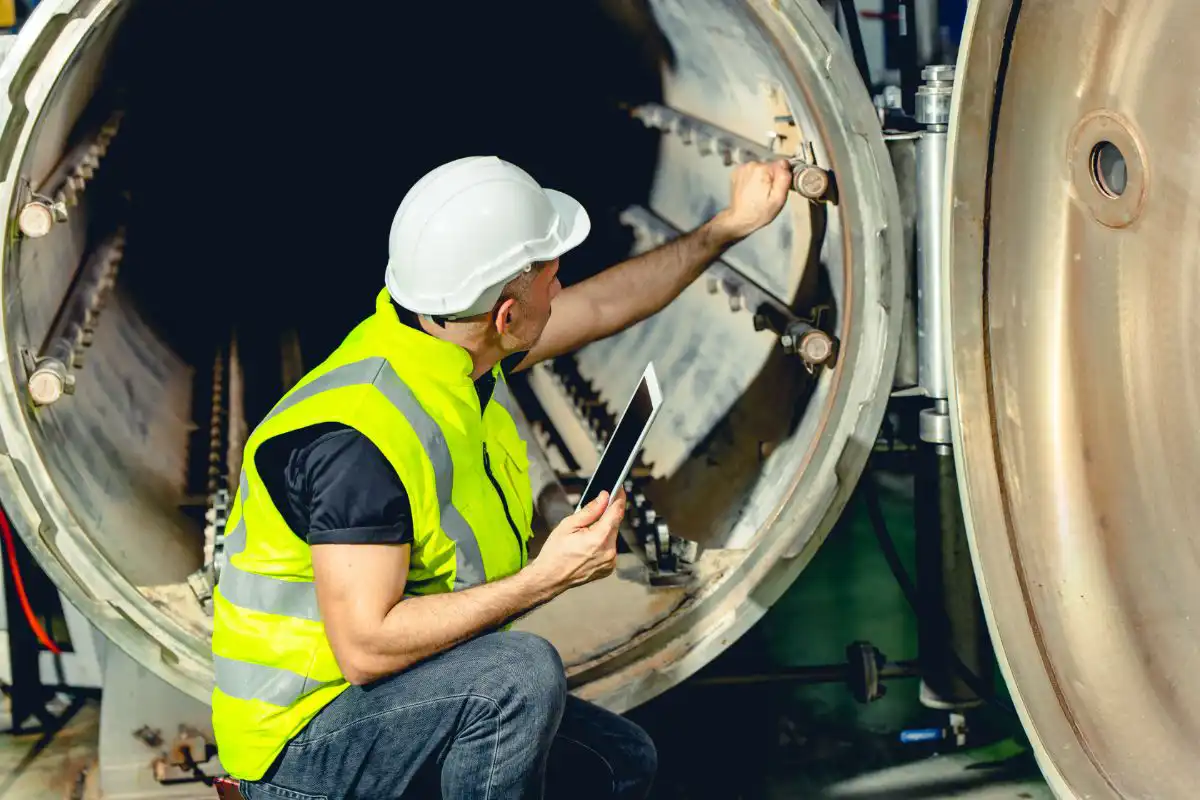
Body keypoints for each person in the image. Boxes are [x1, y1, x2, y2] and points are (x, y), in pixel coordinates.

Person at [211, 154, 792, 799]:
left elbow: (603, 305)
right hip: (300, 751)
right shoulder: (359, 441)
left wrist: (724, 230)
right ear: (506, 317)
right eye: (551, 277)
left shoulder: (445, 350)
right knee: (514, 676)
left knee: (619, 761)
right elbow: (367, 648)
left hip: (380, 705)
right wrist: (548, 576)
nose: (564, 290)